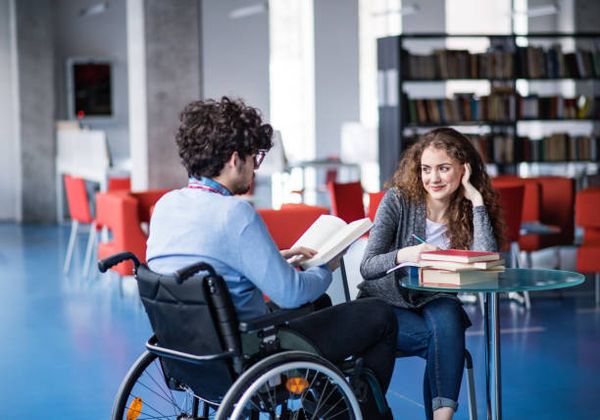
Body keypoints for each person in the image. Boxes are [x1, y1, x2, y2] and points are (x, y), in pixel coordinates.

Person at [146, 96, 397, 419]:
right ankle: (350, 413)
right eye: (255, 157)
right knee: (379, 315)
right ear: (235, 159)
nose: (255, 168)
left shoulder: (167, 205)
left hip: (188, 351)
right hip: (251, 350)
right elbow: (291, 293)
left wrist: (272, 259)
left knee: (318, 307)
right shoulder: (235, 213)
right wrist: (326, 267)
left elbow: (199, 266)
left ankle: (326, 402)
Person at [359, 127, 504, 420]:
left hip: (436, 299)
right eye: (426, 169)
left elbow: (485, 264)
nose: (433, 178)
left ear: (464, 169)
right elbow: (368, 266)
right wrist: (405, 255)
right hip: (385, 304)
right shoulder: (398, 200)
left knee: (448, 313)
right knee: (443, 339)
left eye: (443, 168)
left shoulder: (467, 208)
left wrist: (475, 200)